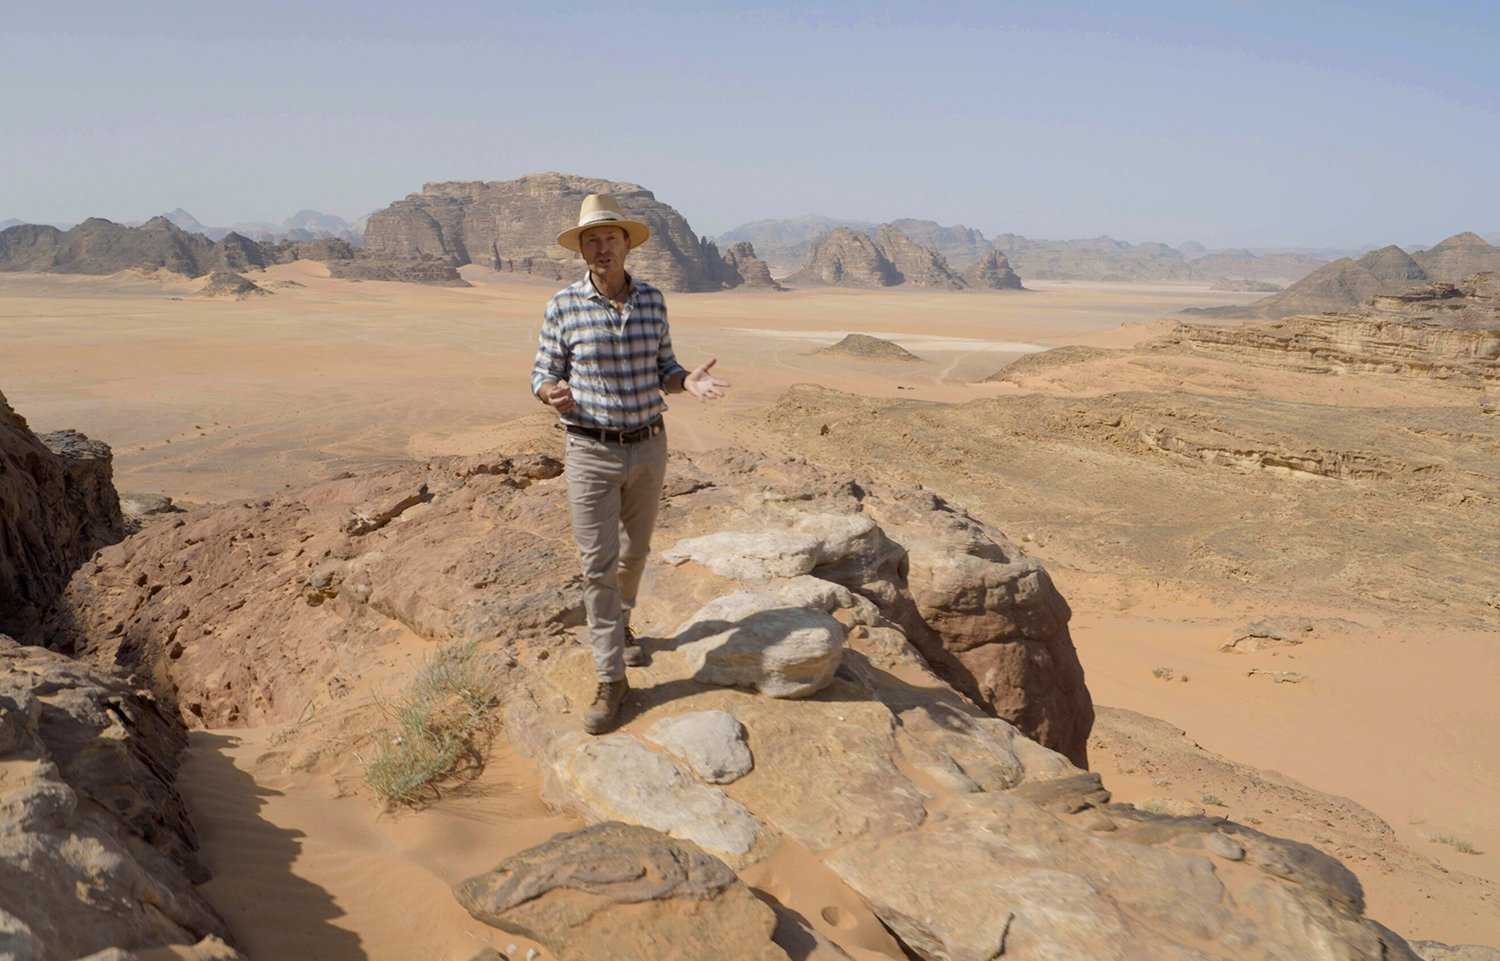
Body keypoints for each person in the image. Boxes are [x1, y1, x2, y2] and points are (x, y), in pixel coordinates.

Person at [531, 194, 730, 734]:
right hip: (589, 450)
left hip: (648, 445)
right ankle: (610, 677)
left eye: (609, 238)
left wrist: (686, 380)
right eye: (590, 240)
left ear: (625, 244)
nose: (601, 248)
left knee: (634, 553)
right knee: (597, 564)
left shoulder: (653, 301)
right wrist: (552, 392)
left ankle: (620, 626)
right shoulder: (562, 305)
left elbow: (666, 366)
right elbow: (541, 373)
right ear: (582, 249)